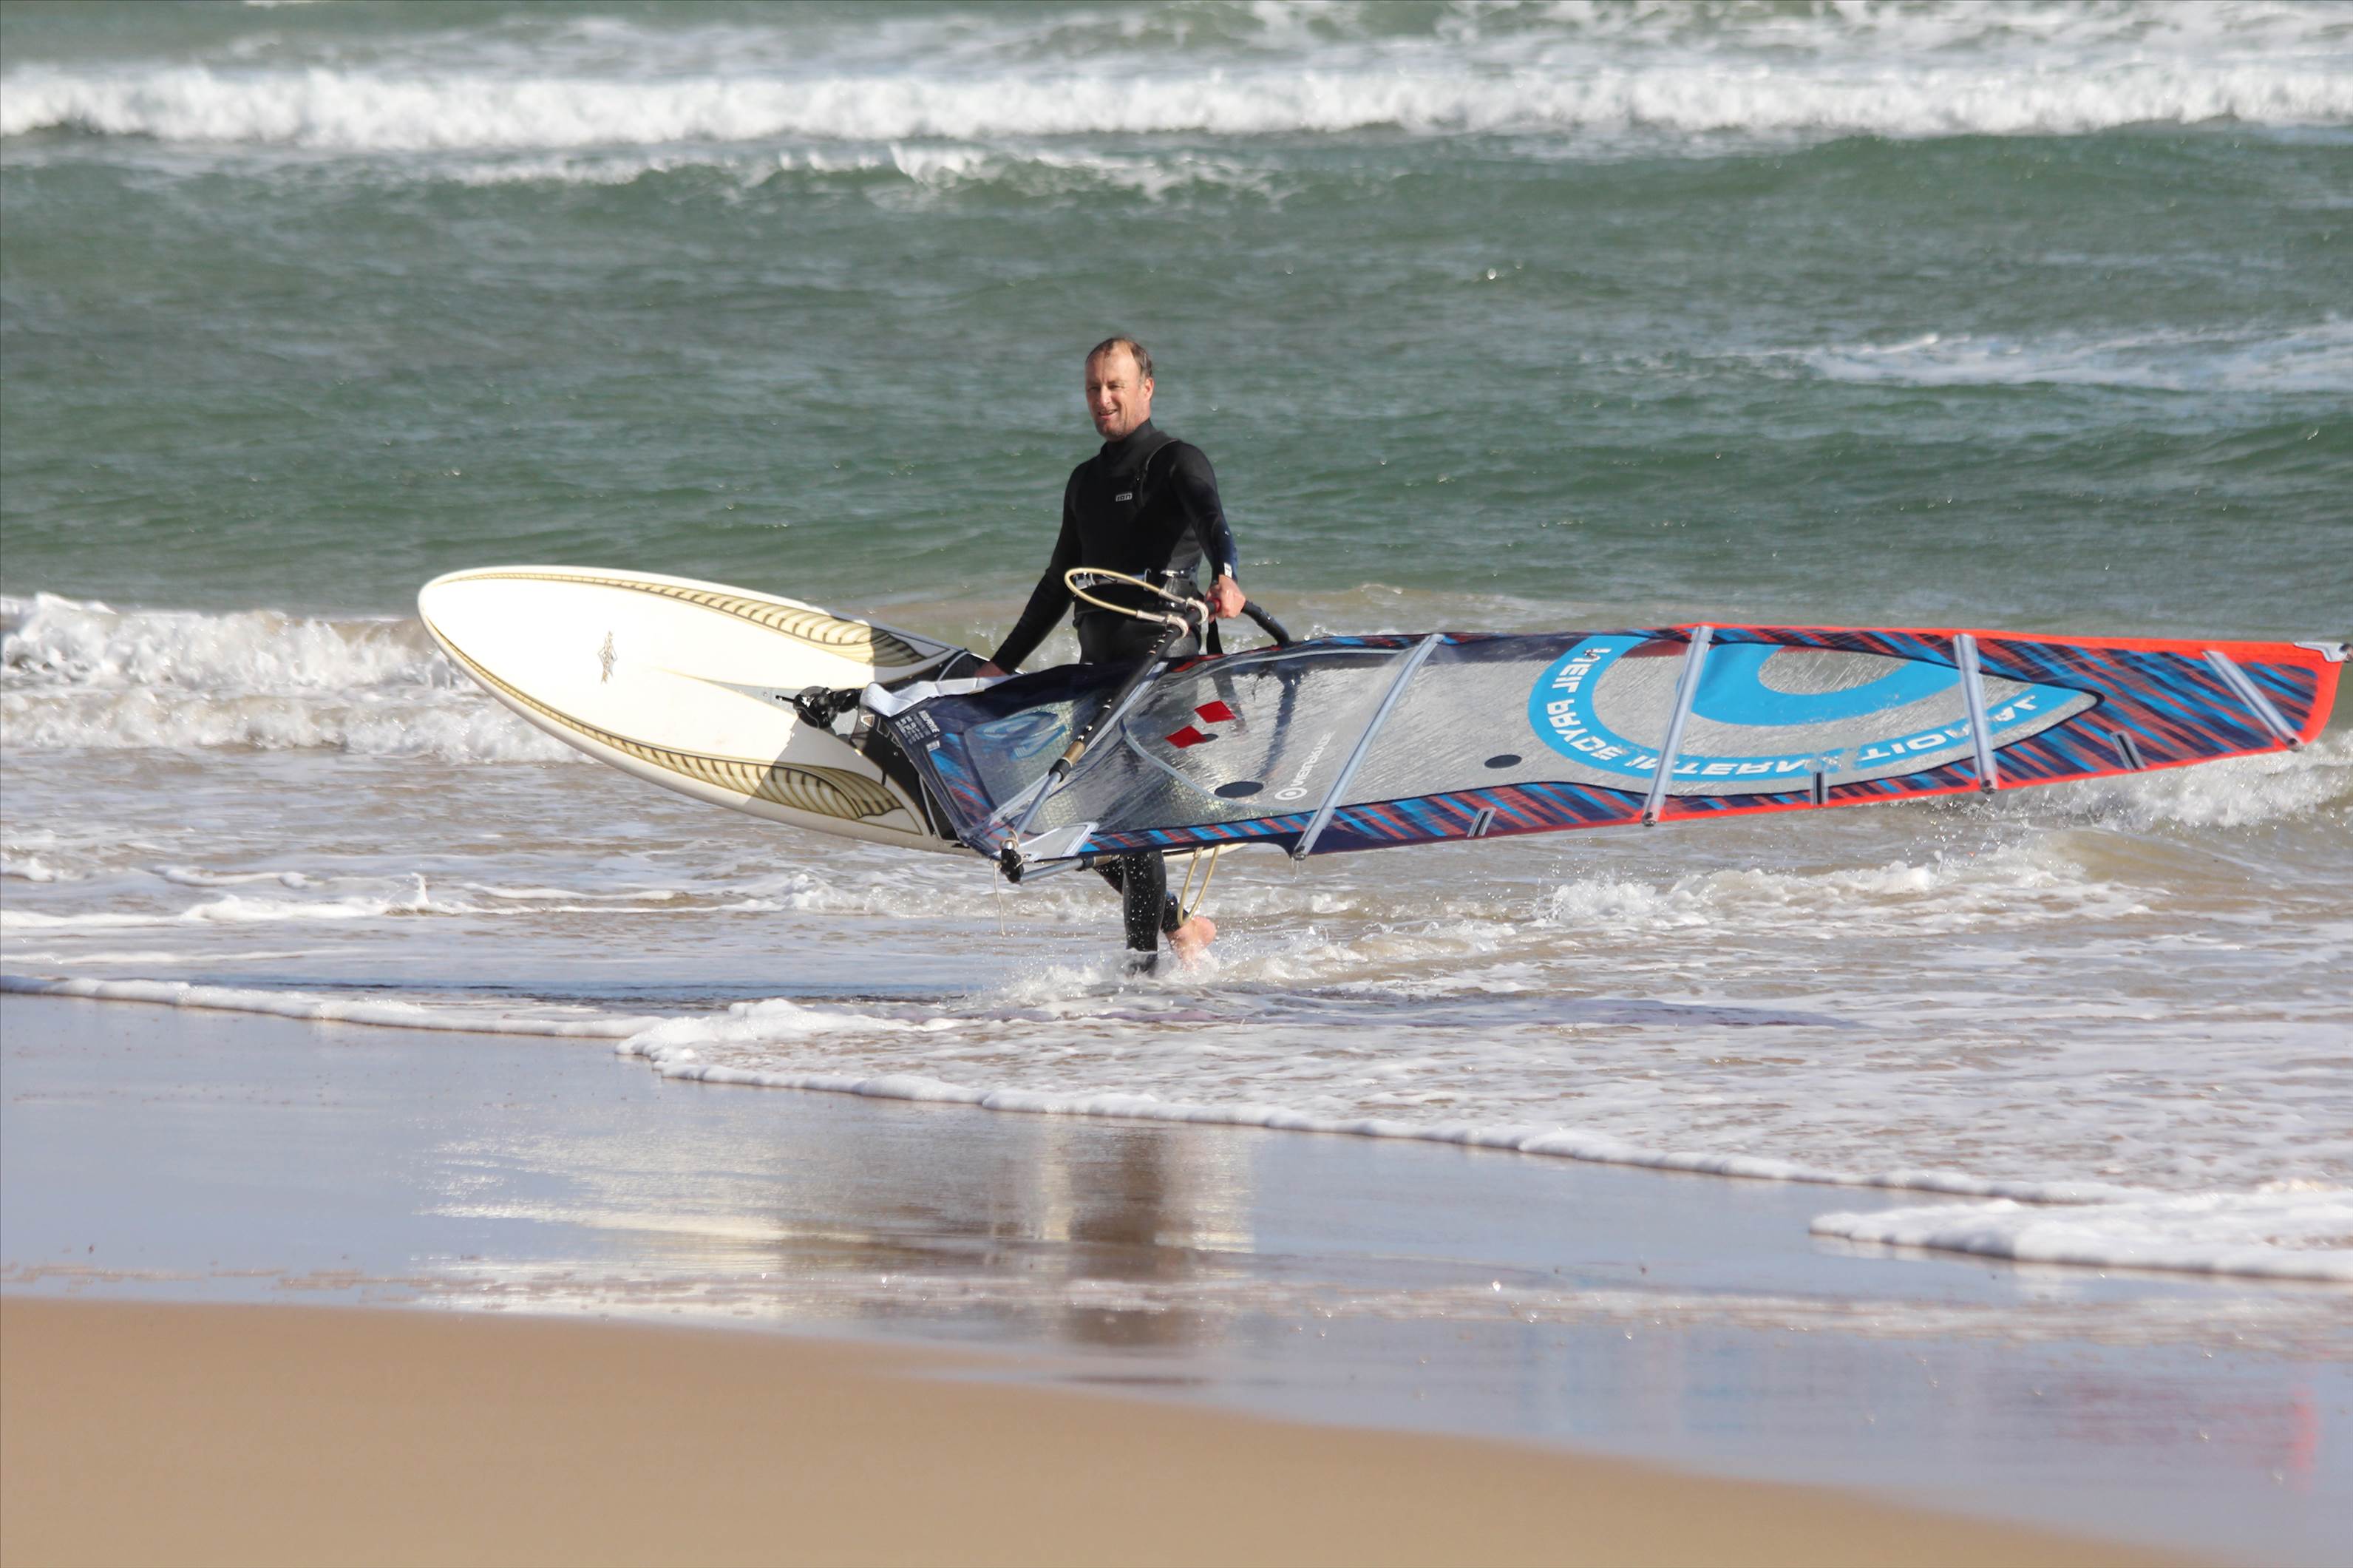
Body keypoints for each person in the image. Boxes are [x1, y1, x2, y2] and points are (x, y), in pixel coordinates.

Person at [976, 336, 1246, 971]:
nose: (1103, 398)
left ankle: (1139, 972)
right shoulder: (1085, 481)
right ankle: (1180, 926)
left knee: (1127, 819)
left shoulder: (1177, 461)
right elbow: (1056, 584)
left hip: (1161, 671)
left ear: (1145, 388)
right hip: (1097, 676)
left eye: (1115, 385)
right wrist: (1002, 663)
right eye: (1094, 388)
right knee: (1083, 823)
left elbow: (1212, 519)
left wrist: (1227, 575)